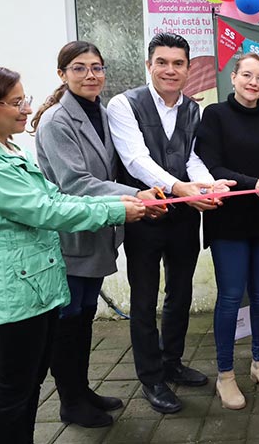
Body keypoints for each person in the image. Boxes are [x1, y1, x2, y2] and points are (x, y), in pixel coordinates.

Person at [0, 62, 145, 444]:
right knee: (13, 391)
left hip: (35, 287)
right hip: (11, 293)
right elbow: (45, 210)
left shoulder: (5, 152)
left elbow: (52, 196)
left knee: (30, 382)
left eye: (24, 100)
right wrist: (119, 207)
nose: (27, 109)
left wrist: (129, 198)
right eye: (16, 103)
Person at [31, 41, 163, 428]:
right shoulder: (58, 121)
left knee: (85, 316)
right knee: (69, 321)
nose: (91, 75)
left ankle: (82, 389)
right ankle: (70, 402)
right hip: (70, 238)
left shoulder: (102, 114)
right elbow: (77, 182)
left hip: (95, 234)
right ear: (62, 74)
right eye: (79, 68)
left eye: (97, 68)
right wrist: (134, 194)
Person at [107, 32, 233, 413]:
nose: (170, 70)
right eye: (162, 62)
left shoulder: (193, 109)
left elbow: (192, 158)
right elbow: (135, 160)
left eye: (178, 63)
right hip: (143, 213)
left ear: (188, 68)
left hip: (181, 217)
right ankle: (151, 377)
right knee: (144, 300)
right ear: (149, 65)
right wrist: (182, 188)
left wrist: (208, 187)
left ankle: (172, 362)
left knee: (180, 292)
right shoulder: (123, 104)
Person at [194, 53, 259, 410]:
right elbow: (212, 164)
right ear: (234, 77)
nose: (254, 83)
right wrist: (250, 183)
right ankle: (225, 374)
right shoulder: (215, 116)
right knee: (229, 297)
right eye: (247, 75)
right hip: (230, 221)